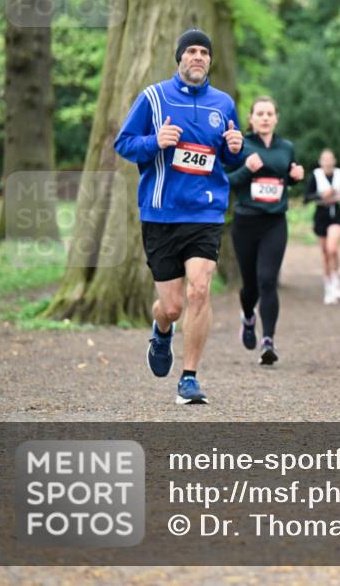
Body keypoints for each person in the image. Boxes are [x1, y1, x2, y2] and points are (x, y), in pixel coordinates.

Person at [114, 28, 245, 404]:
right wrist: (155, 141)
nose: (198, 57)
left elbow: (230, 155)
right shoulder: (153, 98)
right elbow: (123, 143)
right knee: (172, 305)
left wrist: (236, 148)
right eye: (191, 51)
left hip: (205, 211)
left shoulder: (223, 104)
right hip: (161, 212)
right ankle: (161, 328)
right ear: (179, 58)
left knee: (200, 290)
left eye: (204, 51)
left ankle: (189, 378)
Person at [226, 96, 304, 365]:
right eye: (259, 113)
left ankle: (268, 340)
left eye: (270, 113)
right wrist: (246, 169)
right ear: (251, 118)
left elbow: (283, 181)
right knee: (250, 285)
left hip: (274, 223)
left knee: (268, 280)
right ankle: (248, 316)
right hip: (245, 222)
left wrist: (295, 178)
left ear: (276, 118)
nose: (265, 118)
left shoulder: (287, 147)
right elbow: (227, 182)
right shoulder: (240, 146)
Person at [304, 148, 340, 305]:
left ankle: (335, 280)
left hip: (336, 216)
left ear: (334, 161)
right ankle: (329, 286)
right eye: (325, 159)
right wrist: (322, 195)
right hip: (321, 217)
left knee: (332, 248)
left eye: (330, 159)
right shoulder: (315, 176)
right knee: (325, 253)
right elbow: (306, 197)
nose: (328, 162)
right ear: (320, 162)